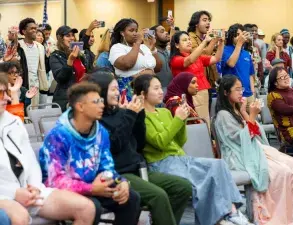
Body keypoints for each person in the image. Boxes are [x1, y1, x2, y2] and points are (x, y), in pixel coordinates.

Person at [134, 74, 253, 225]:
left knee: (219, 165)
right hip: (161, 163)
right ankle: (217, 218)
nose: (160, 92)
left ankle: (231, 211)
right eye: (156, 88)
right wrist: (177, 119)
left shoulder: (163, 112)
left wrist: (182, 121)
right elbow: (161, 143)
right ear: (143, 94)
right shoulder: (141, 117)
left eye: (160, 88)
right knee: (205, 178)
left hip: (180, 158)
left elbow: (180, 141)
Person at [85, 69, 192, 225]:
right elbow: (114, 145)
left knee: (183, 187)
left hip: (139, 169)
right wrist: (130, 115)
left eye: (117, 89)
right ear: (100, 92)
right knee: (158, 196)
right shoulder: (96, 119)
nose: (118, 93)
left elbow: (139, 143)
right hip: (118, 172)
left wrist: (139, 115)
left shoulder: (121, 112)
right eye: (113, 89)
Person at [39, 82, 141, 224]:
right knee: (94, 207)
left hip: (94, 187)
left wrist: (121, 182)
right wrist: (91, 189)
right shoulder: (58, 136)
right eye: (96, 102)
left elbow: (107, 167)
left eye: (101, 100)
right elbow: (54, 181)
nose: (102, 105)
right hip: (64, 193)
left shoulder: (100, 132)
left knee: (131, 198)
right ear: (80, 106)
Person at [0, 75, 96, 225]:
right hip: (3, 195)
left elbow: (30, 162)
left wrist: (34, 186)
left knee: (86, 208)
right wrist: (13, 193)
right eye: (1, 93)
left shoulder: (13, 123)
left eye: (7, 92)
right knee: (19, 218)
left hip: (28, 190)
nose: (7, 98)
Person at [215, 75, 293, 225]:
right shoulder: (223, 115)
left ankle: (289, 214)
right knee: (281, 172)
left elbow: (255, 133)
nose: (240, 92)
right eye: (237, 89)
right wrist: (252, 115)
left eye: (241, 88)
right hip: (238, 154)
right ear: (225, 92)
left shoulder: (236, 110)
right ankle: (272, 215)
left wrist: (245, 113)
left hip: (254, 148)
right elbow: (237, 140)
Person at [169, 31, 223, 127]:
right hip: (191, 95)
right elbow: (189, 60)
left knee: (205, 120)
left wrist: (221, 43)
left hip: (203, 92)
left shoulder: (196, 56)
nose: (189, 41)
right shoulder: (175, 59)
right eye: (185, 40)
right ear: (177, 45)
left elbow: (216, 59)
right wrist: (205, 42)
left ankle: (206, 140)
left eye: (189, 39)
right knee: (197, 123)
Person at [109, 18, 162, 101]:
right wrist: (137, 43)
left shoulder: (144, 47)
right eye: (131, 30)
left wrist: (153, 47)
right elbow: (127, 64)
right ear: (122, 33)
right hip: (131, 89)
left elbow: (158, 68)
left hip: (150, 89)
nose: (135, 33)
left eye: (136, 30)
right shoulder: (117, 47)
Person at [187, 11, 220, 101]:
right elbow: (202, 56)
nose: (208, 22)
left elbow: (215, 57)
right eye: (204, 20)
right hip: (197, 85)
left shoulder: (205, 38)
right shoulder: (190, 37)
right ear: (196, 23)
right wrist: (213, 41)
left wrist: (221, 42)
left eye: (209, 20)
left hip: (208, 82)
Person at [221, 24, 255, 109]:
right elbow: (231, 63)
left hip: (249, 94)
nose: (240, 37)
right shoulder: (225, 49)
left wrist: (253, 92)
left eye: (241, 34)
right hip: (234, 95)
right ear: (231, 37)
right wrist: (239, 44)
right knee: (237, 121)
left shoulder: (246, 53)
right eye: (236, 35)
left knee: (251, 120)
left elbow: (250, 74)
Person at [49, 25, 82, 111]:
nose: (72, 38)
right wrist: (70, 61)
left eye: (73, 35)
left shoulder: (79, 55)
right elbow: (60, 78)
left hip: (81, 96)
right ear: (60, 38)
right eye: (68, 36)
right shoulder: (55, 56)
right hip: (66, 99)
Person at [17, 18, 48, 106]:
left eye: (35, 28)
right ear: (24, 31)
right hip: (22, 83)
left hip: (36, 84)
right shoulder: (19, 45)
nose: (35, 30)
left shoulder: (40, 47)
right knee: (23, 111)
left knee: (34, 112)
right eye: (31, 28)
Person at [150, 17, 174, 90]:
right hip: (158, 90)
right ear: (154, 36)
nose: (166, 32)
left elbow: (173, 39)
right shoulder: (151, 52)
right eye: (162, 31)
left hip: (171, 89)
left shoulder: (168, 50)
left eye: (165, 30)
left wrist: (172, 26)